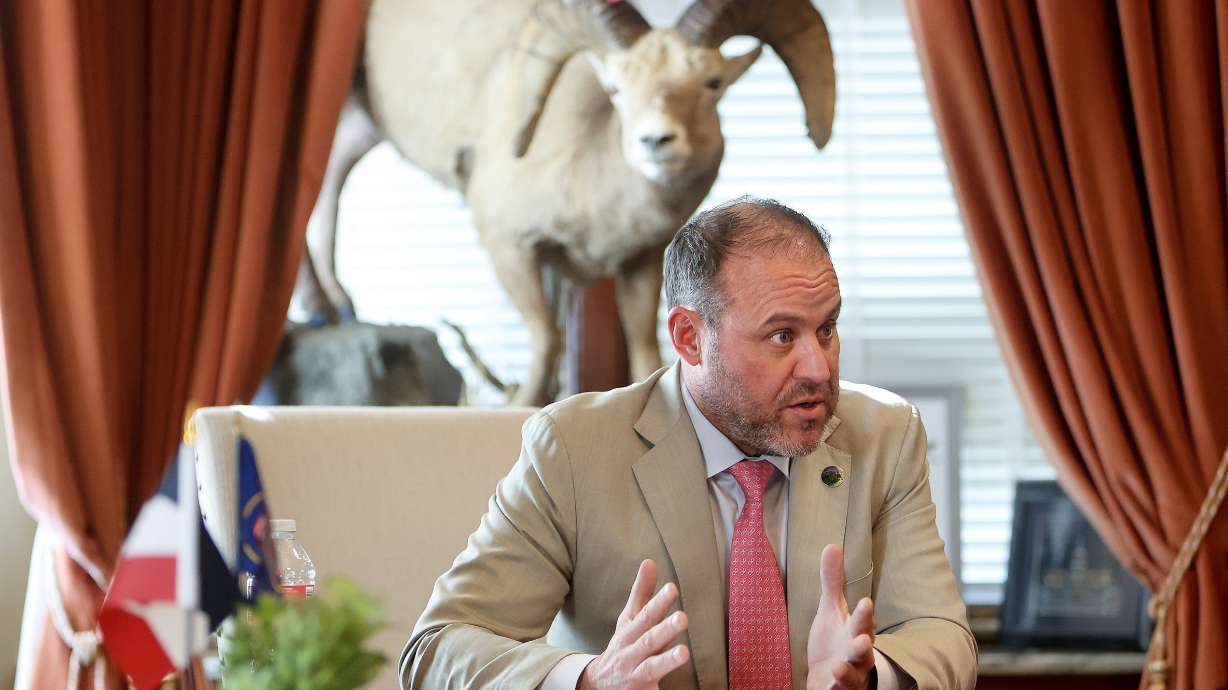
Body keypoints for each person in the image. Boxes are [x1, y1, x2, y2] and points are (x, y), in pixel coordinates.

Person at [400, 197, 977, 689]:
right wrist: (588, 678)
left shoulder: (886, 434)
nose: (819, 367)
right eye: (782, 335)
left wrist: (870, 672)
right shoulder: (573, 449)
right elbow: (436, 648)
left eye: (826, 328)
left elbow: (944, 634)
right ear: (688, 337)